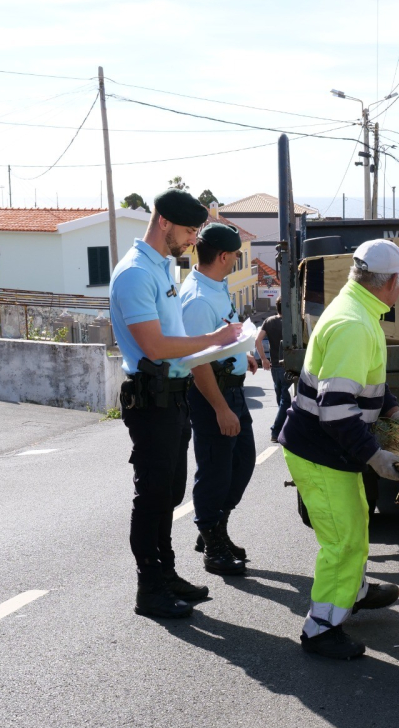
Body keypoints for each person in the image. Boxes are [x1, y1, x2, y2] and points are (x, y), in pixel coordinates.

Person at [279, 239, 399, 660]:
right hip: (321, 450)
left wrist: (391, 409)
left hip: (327, 449)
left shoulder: (356, 310)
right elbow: (336, 409)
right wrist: (375, 456)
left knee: (355, 523)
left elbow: (363, 378)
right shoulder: (355, 324)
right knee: (343, 542)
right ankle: (321, 628)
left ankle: (352, 592)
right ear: (390, 282)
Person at [109, 189, 242, 619]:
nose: (191, 240)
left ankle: (166, 575)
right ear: (163, 222)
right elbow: (154, 343)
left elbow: (175, 338)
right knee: (152, 497)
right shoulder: (134, 273)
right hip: (151, 399)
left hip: (173, 397)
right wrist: (213, 340)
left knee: (170, 493)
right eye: (188, 231)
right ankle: (150, 587)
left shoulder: (161, 267)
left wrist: (228, 346)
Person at [180, 223, 257, 577]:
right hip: (214, 396)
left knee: (242, 463)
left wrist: (243, 355)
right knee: (215, 471)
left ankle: (215, 529)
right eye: (237, 255)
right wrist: (221, 408)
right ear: (224, 256)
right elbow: (198, 363)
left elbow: (223, 334)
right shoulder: (196, 298)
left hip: (232, 388)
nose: (239, 260)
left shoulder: (216, 286)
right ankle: (212, 543)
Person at [255, 298, 290, 443]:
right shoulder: (292, 322)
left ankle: (281, 429)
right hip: (288, 366)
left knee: (281, 398)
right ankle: (276, 431)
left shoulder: (269, 321)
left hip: (274, 366)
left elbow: (257, 341)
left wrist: (263, 359)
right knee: (285, 400)